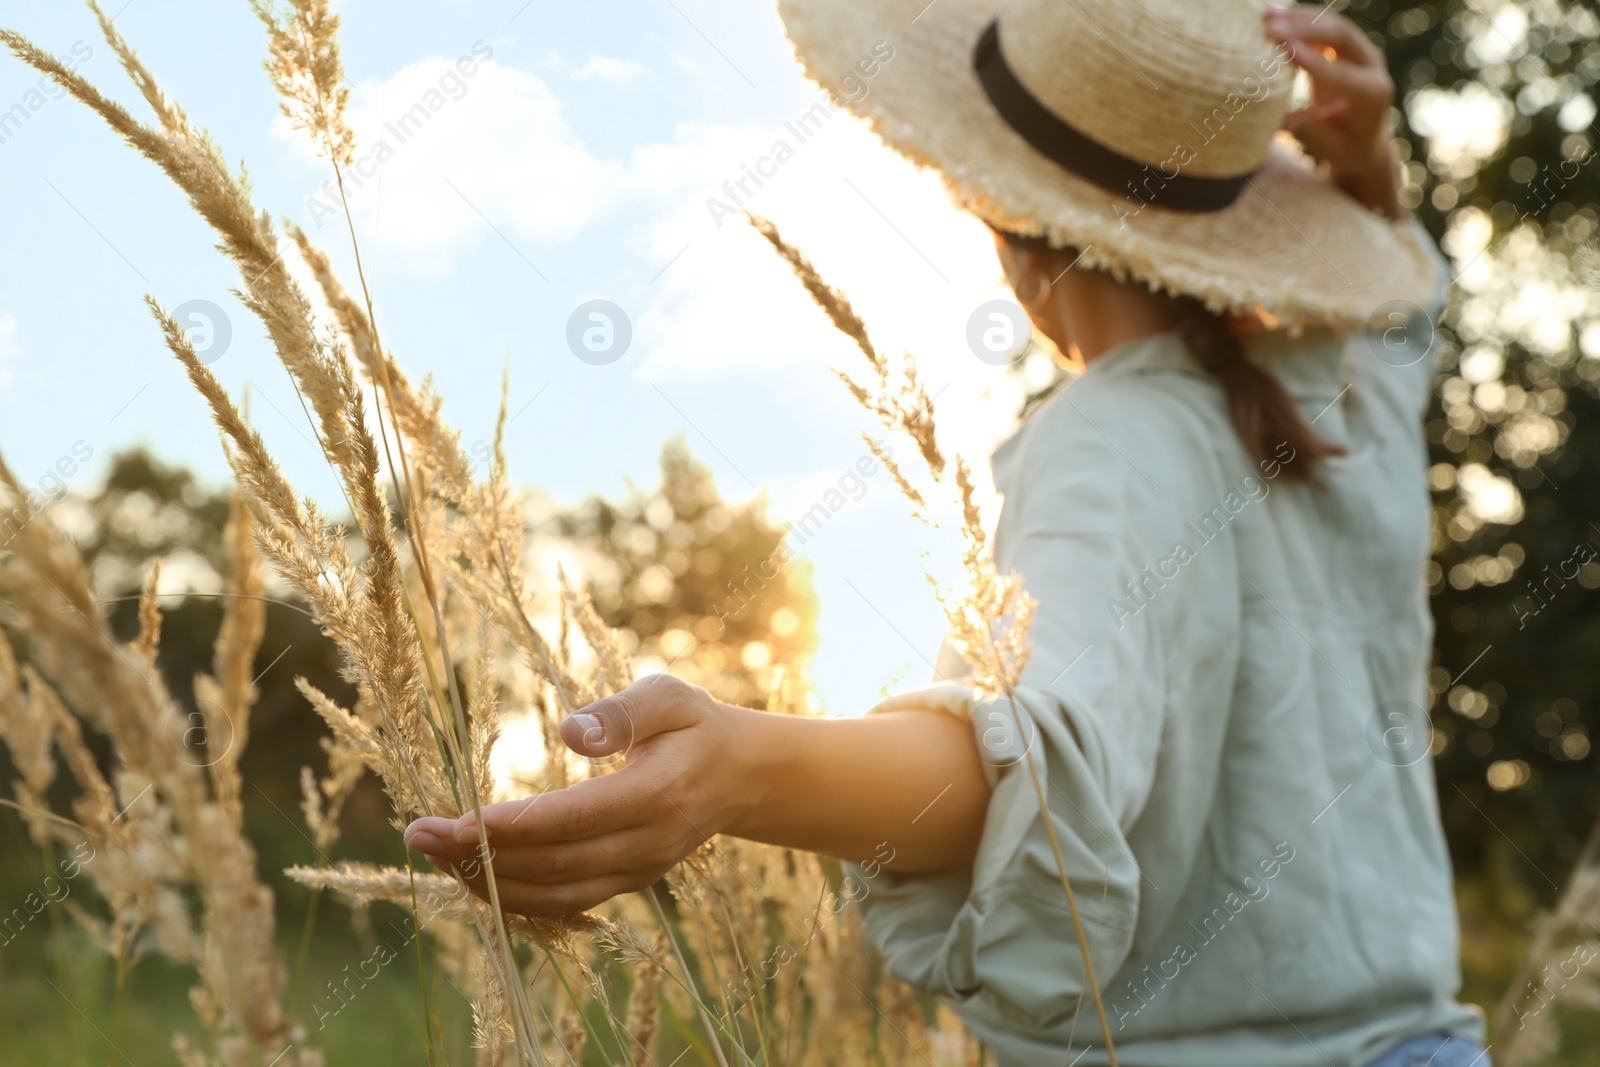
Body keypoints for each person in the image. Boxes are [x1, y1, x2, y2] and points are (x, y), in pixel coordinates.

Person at [404, 2, 1491, 1063]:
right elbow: (1404, 300)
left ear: (1004, 232)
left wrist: (734, 766)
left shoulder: (1109, 441)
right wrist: (1367, 178)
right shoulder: (1350, 399)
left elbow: (1030, 767)